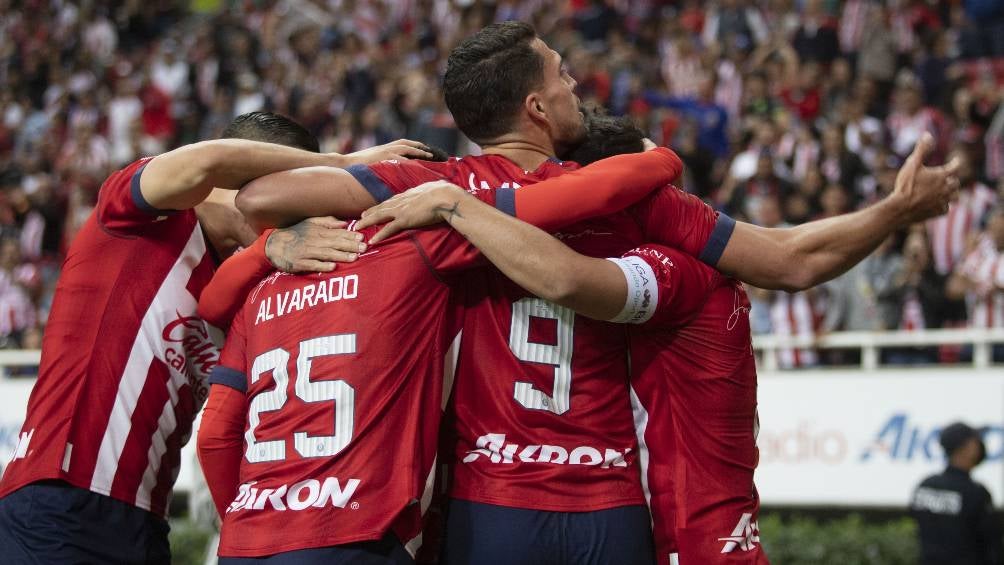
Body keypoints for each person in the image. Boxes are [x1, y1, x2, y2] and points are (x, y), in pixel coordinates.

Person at [236, 21, 958, 564]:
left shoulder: (438, 187)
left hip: (489, 507)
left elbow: (263, 194)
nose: (575, 84)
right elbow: (791, 260)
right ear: (536, 106)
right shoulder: (629, 196)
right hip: (609, 504)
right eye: (563, 76)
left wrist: (277, 242)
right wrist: (894, 211)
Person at [195, 146, 686, 563]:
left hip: (246, 539)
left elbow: (215, 436)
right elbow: (562, 207)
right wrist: (661, 157)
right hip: (355, 532)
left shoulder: (253, 294)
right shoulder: (408, 244)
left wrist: (261, 250)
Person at [0, 111, 433, 564]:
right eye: (290, 198)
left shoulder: (245, 281)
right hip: (60, 496)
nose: (288, 219)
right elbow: (205, 162)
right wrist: (343, 163)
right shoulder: (138, 216)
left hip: (144, 522)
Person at [911, 422, 1003, 565]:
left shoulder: (925, 485)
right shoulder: (975, 492)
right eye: (976, 441)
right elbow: (991, 544)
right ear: (967, 448)